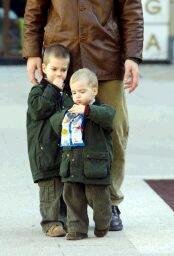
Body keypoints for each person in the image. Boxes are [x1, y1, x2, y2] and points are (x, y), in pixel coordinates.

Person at [23, 1, 144, 231]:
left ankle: (109, 201)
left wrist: (132, 56)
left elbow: (131, 10)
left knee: (114, 130)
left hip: (106, 58)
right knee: (58, 133)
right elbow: (34, 11)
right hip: (63, 59)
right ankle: (65, 205)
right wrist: (31, 52)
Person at [50, 68, 115, 240]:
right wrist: (66, 115)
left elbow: (109, 117)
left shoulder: (102, 110)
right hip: (72, 167)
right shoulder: (70, 111)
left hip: (95, 168)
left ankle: (103, 222)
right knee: (73, 199)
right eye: (74, 92)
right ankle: (77, 229)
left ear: (94, 90)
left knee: (99, 199)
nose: (77, 96)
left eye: (82, 91)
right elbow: (54, 123)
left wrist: (87, 111)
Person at [26, 44, 73, 237]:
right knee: (50, 189)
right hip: (44, 150)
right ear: (44, 68)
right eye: (54, 69)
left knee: (65, 188)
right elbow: (39, 110)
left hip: (61, 151)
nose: (59, 74)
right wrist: (53, 88)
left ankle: (66, 220)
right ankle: (50, 222)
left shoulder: (65, 93)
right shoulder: (38, 91)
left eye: (63, 70)